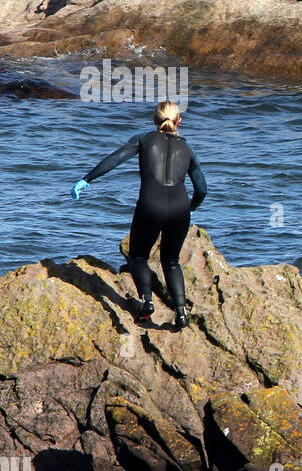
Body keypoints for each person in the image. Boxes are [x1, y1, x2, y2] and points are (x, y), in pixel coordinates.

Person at [71, 100, 206, 330]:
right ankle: (181, 313)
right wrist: (191, 207)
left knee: (138, 257)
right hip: (180, 209)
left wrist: (87, 179)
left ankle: (147, 303)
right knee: (171, 261)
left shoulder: (143, 140)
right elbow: (202, 188)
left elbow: (115, 159)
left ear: (154, 120)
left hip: (150, 207)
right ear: (179, 121)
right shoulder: (187, 148)